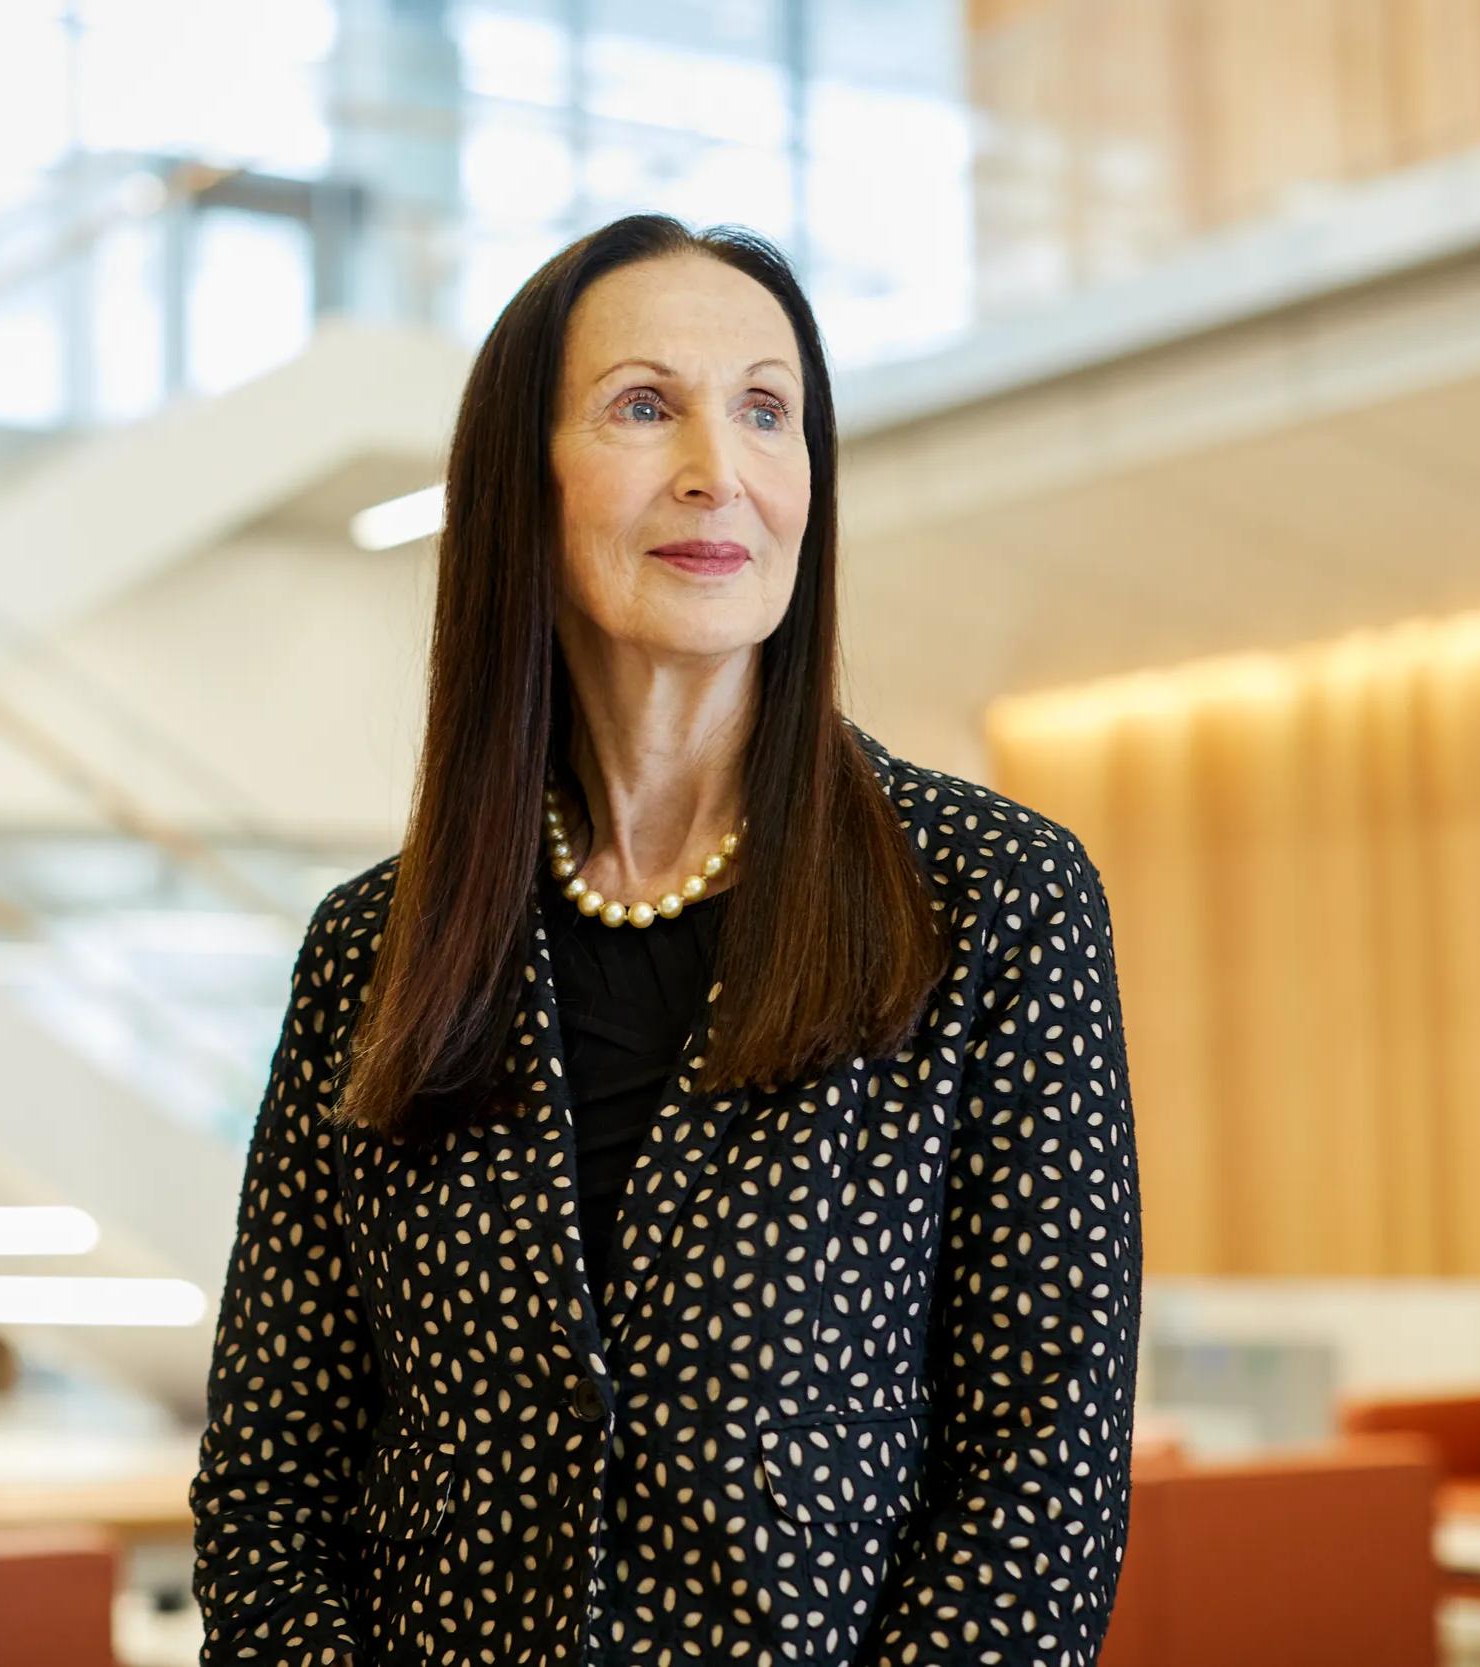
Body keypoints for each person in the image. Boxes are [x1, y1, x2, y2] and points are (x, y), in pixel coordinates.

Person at [188, 213, 1143, 1667]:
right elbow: (273, 1487)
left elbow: (1041, 1484)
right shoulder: (372, 950)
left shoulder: (991, 898)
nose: (718, 468)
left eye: (766, 410)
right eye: (645, 407)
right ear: (524, 484)